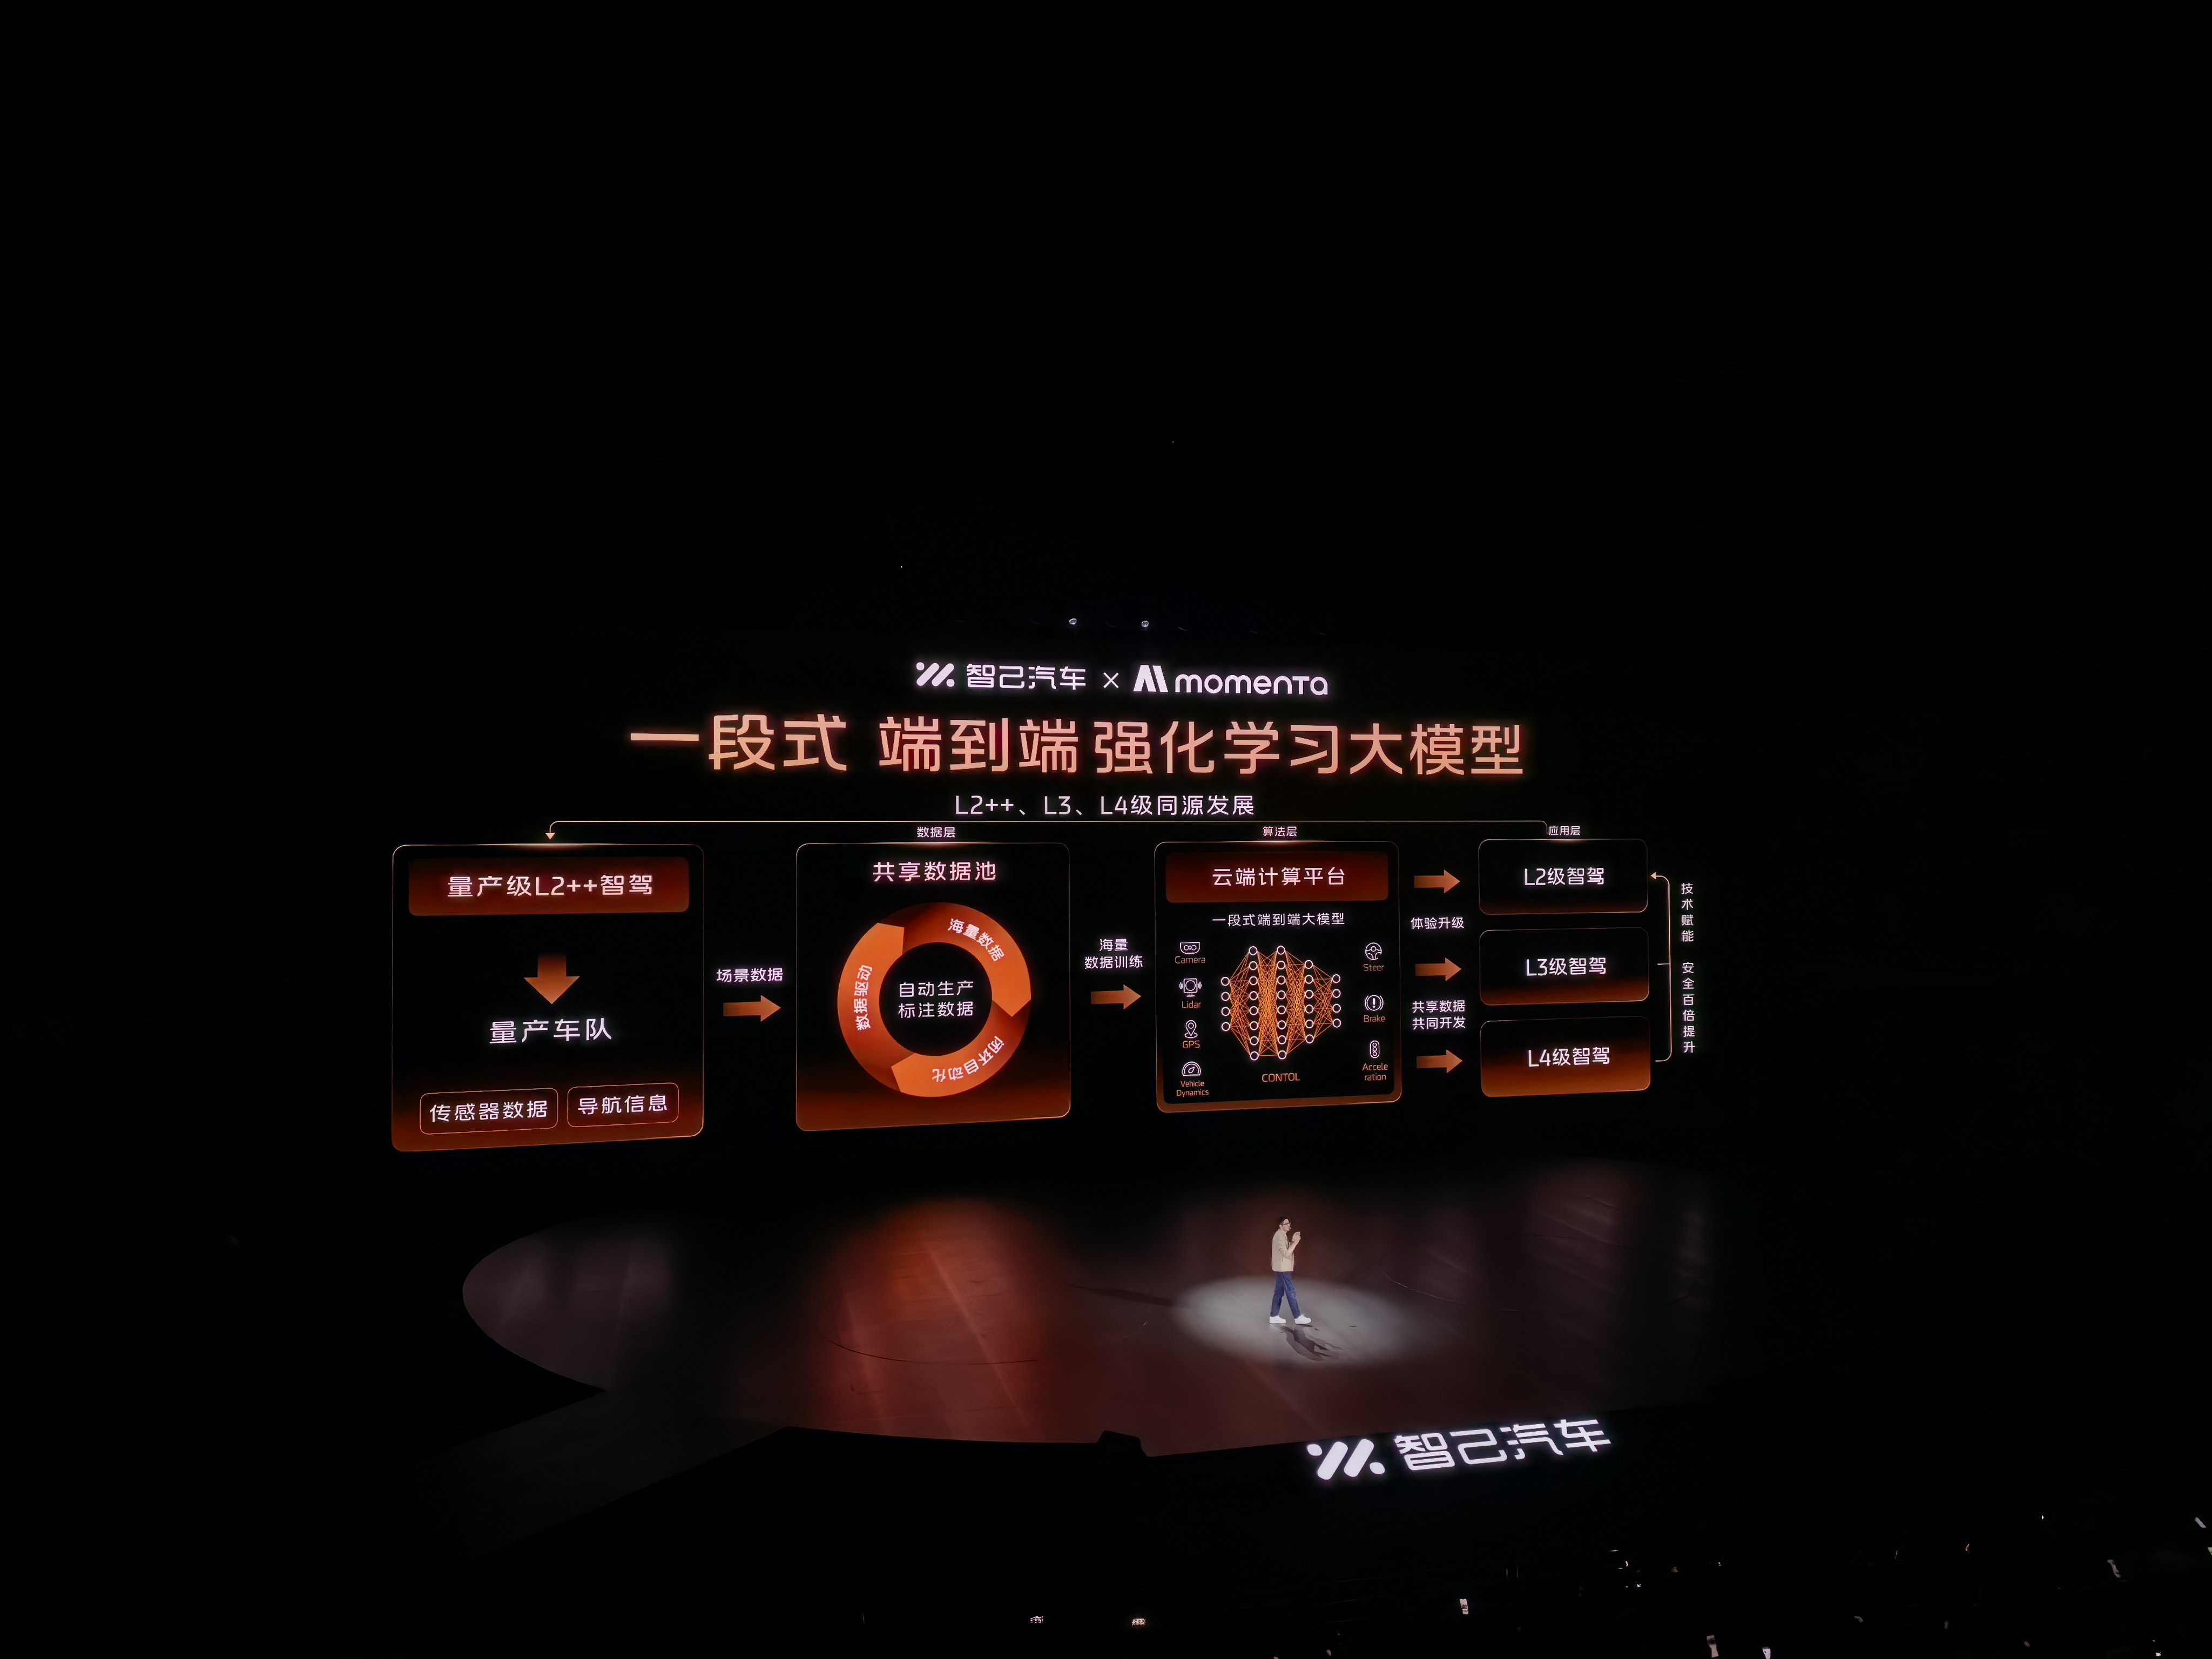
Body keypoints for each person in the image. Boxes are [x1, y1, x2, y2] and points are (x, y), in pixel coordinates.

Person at [1270, 1217, 1311, 1325]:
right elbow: (1287, 1254)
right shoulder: (1279, 1237)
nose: (1289, 1225)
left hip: (1281, 1269)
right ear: (1280, 1226)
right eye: (1286, 1223)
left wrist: (1292, 1240)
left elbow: (1287, 1249)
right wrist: (1296, 1243)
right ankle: (1297, 1317)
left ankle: (1274, 1316)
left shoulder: (1282, 1235)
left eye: (1289, 1223)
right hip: (1283, 1269)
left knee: (1279, 1292)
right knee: (1291, 1292)